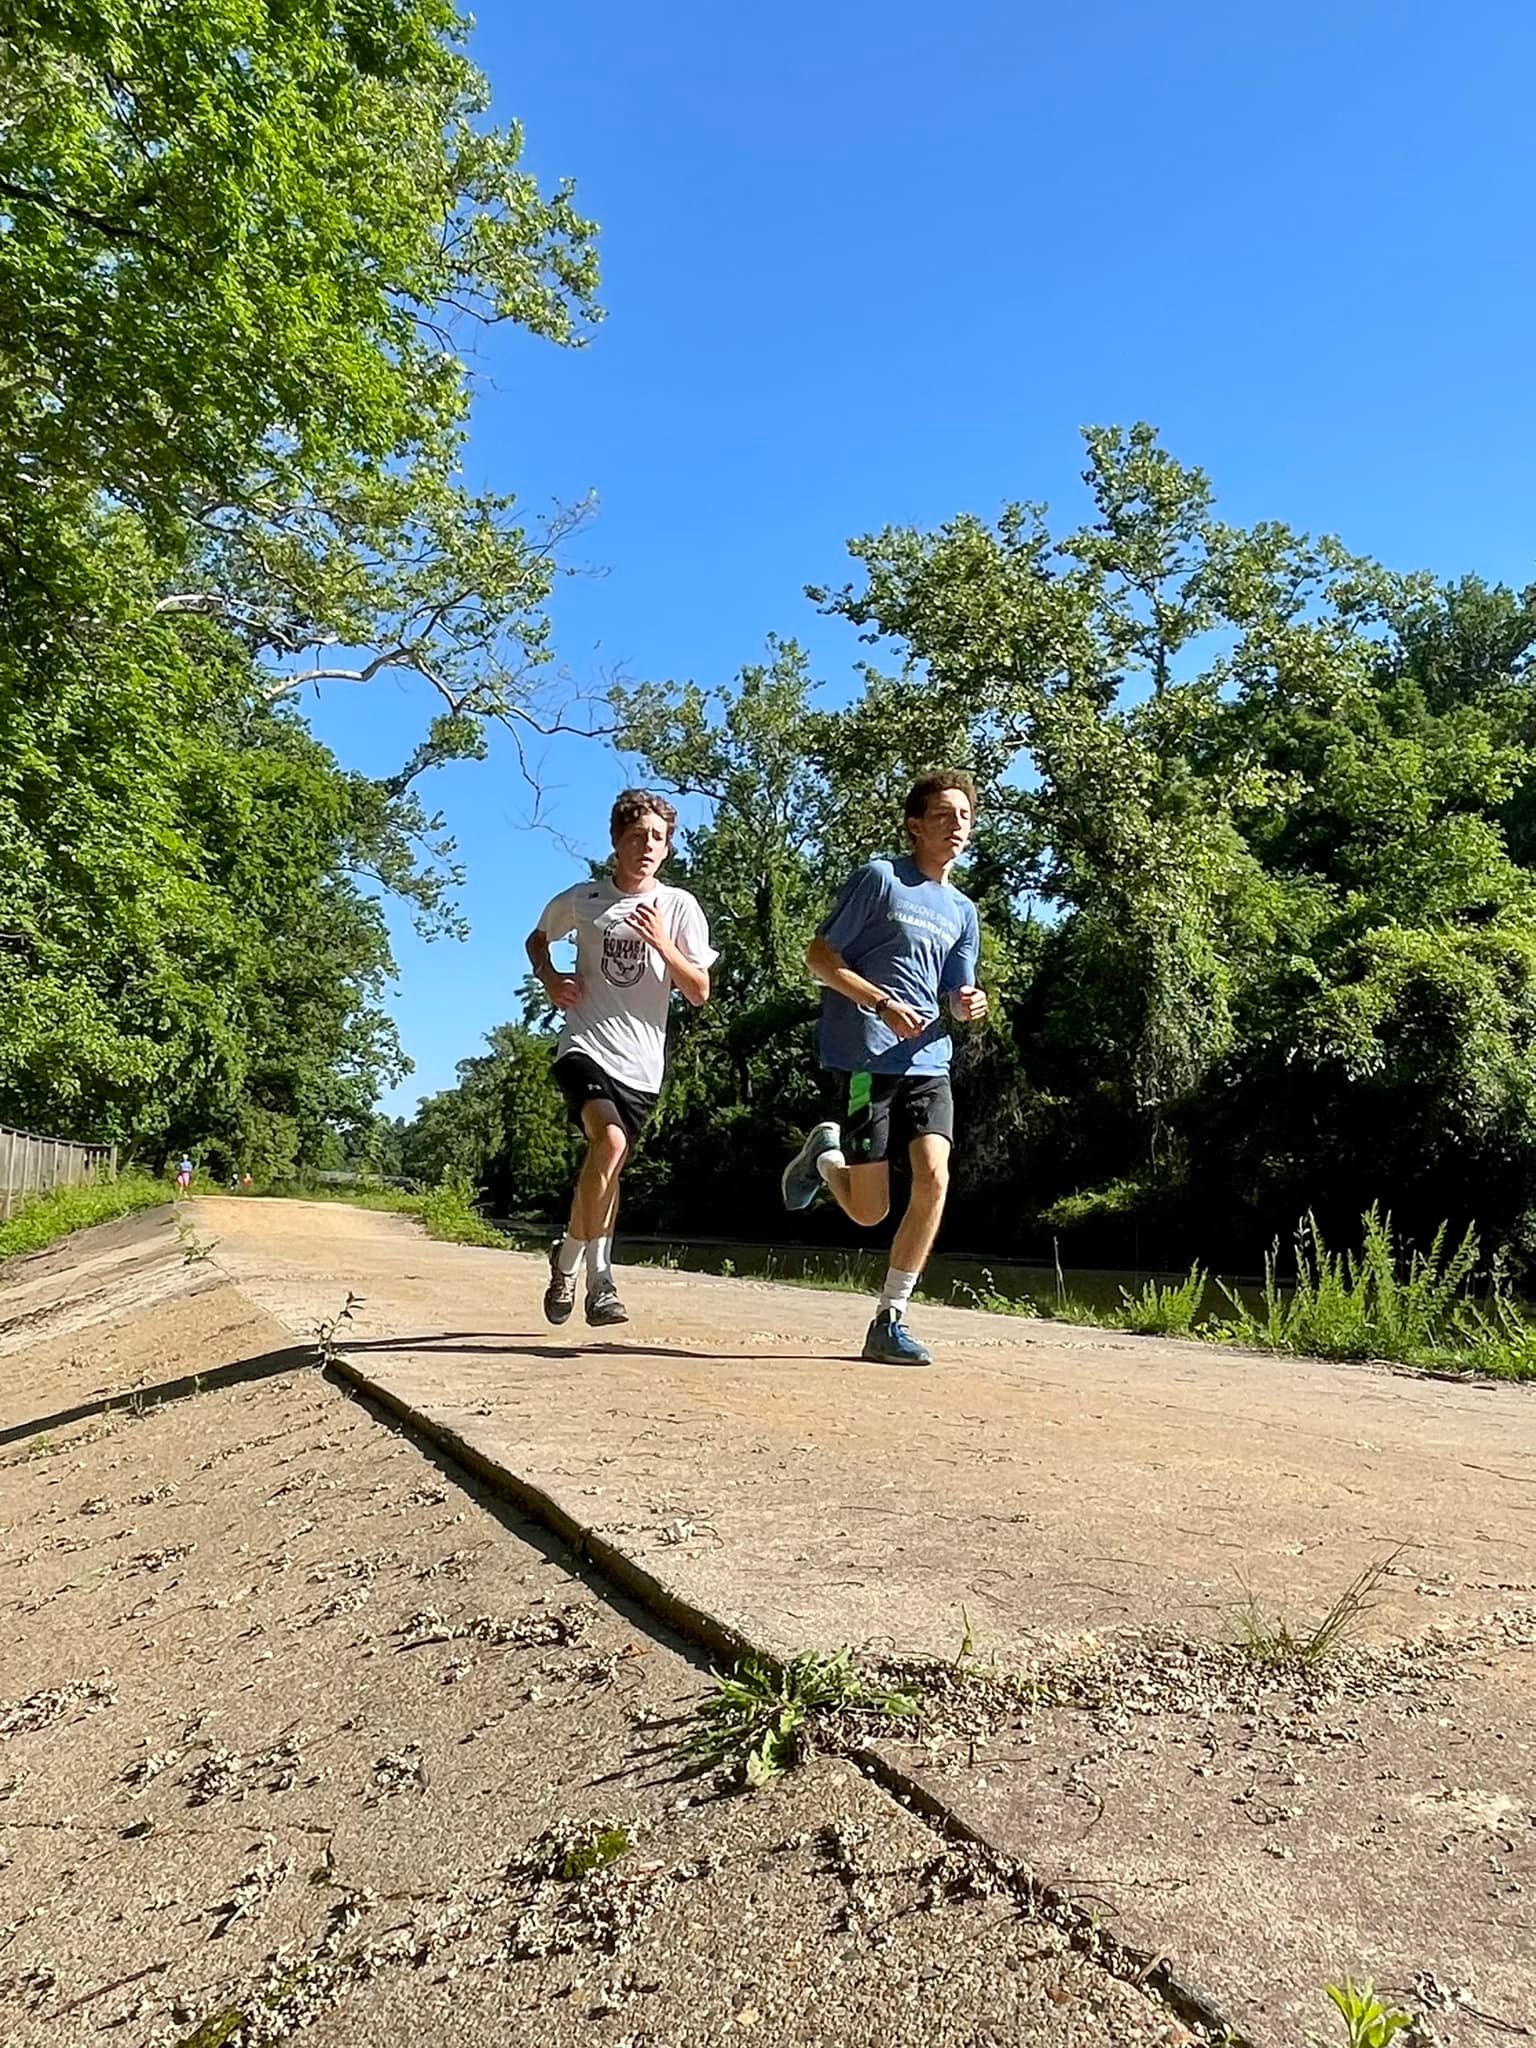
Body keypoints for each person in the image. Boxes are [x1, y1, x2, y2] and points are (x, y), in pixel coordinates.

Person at [780, 770, 987, 1366]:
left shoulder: (963, 911)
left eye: (964, 818)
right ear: (915, 826)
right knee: (870, 1211)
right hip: (869, 1056)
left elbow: (957, 993)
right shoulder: (880, 879)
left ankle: (889, 1317)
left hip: (929, 1059)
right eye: (944, 816)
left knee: (935, 1177)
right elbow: (821, 957)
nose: (956, 827)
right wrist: (879, 1002)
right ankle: (823, 1158)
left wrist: (968, 1004)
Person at [527, 790, 715, 1328]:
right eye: (637, 836)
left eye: (657, 837)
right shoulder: (585, 899)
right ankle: (601, 1280)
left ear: (668, 847)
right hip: (584, 1046)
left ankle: (565, 1261)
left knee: (610, 1164)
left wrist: (662, 942)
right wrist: (550, 977)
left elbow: (699, 990)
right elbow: (537, 938)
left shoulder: (679, 907)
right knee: (607, 1142)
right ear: (616, 842)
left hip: (642, 1065)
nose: (647, 846)